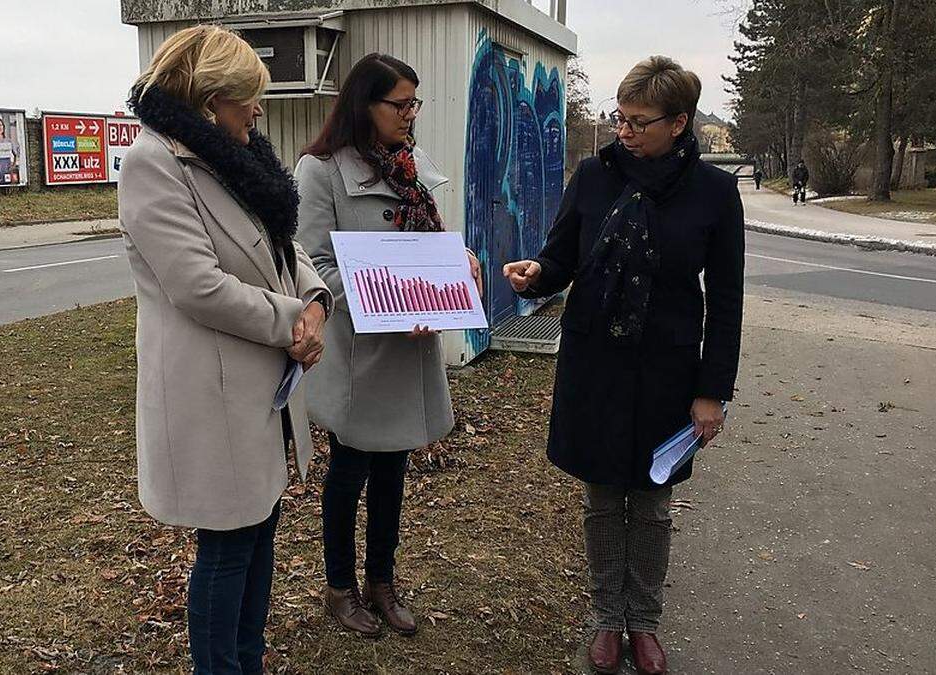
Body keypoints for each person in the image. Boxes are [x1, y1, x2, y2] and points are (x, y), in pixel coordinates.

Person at [503, 56, 743, 675]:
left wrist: (712, 391)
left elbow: (727, 301)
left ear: (680, 123)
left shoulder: (714, 193)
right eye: (620, 116)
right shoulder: (593, 175)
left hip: (667, 370)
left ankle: (646, 621)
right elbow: (560, 259)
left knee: (655, 503)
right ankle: (608, 618)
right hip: (596, 366)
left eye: (639, 121)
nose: (624, 131)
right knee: (603, 498)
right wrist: (536, 274)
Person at [119, 25, 333, 674]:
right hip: (208, 390)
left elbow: (282, 244)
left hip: (257, 387)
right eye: (248, 96)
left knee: (258, 526)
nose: (258, 109)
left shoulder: (236, 155)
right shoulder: (154, 162)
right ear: (210, 99)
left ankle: (248, 659)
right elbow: (198, 287)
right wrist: (293, 321)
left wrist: (317, 300)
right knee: (228, 543)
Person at [293, 53, 482, 638]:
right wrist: (390, 297)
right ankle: (340, 589)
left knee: (395, 469)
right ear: (363, 104)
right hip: (361, 352)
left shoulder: (409, 164)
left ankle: (382, 582)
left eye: (414, 103)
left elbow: (427, 240)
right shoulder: (320, 169)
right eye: (399, 104)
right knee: (349, 472)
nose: (410, 114)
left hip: (409, 345)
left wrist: (459, 262)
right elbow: (312, 264)